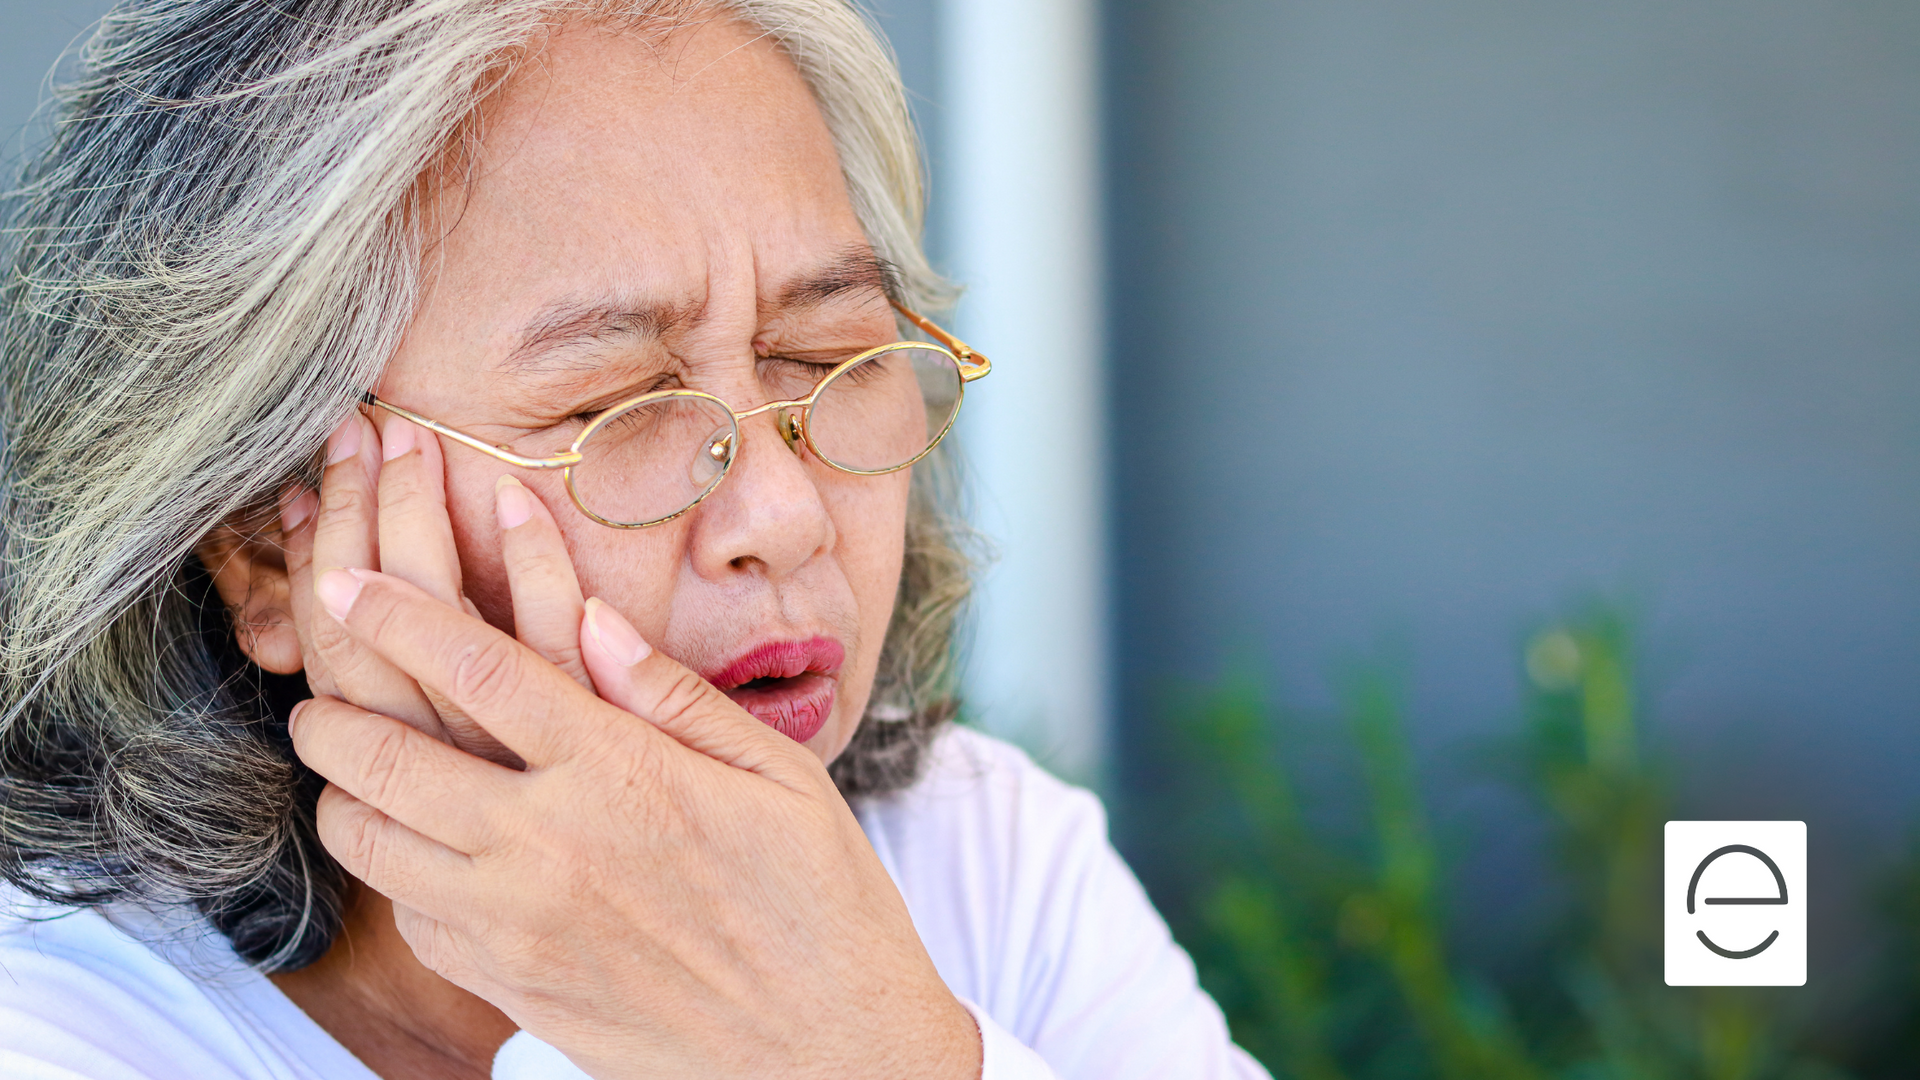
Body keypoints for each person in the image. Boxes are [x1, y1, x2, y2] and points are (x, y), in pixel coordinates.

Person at [0, 2, 1268, 1078]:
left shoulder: (984, 857)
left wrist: (861, 1043)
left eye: (824, 355)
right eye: (612, 408)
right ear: (266, 551)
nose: (783, 513)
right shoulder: (56, 1027)